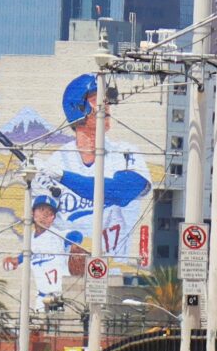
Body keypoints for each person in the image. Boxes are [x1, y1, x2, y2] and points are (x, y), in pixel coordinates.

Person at [38, 74, 154, 267]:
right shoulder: (55, 160)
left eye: (106, 99)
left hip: (116, 272)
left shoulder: (125, 152)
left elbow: (121, 192)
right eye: (97, 99)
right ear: (77, 107)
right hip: (63, 278)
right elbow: (41, 223)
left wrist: (63, 177)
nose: (106, 105)